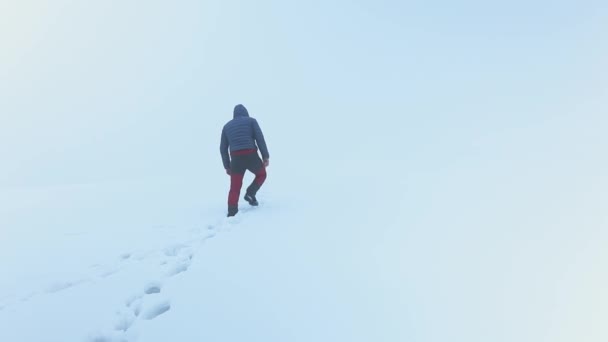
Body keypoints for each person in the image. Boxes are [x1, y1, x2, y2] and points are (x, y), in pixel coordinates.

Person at [220, 104, 270, 217]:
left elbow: (223, 148)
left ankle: (232, 211)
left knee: (235, 186)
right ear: (246, 112)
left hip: (236, 159)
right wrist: (265, 156)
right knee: (262, 174)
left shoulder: (226, 126)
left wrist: (227, 166)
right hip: (250, 155)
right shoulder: (251, 121)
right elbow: (260, 139)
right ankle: (250, 193)